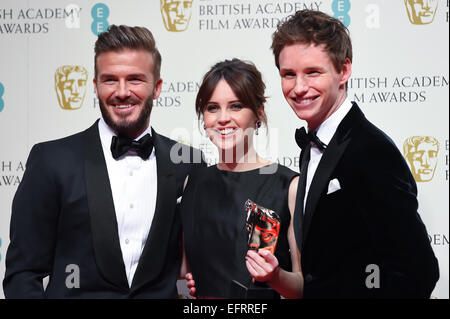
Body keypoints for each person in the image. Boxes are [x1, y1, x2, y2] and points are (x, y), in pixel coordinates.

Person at [3, 25, 204, 298]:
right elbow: (23, 274)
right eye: (110, 80)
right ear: (95, 86)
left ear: (156, 88)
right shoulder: (51, 161)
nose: (122, 92)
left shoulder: (188, 163)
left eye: (135, 79)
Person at [271, 10, 439, 298]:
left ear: (344, 71)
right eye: (289, 74)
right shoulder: (314, 146)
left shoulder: (371, 151)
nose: (298, 88)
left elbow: (419, 271)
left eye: (313, 72)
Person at [181, 59, 303, 299]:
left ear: (258, 113)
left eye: (236, 106)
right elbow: (184, 274)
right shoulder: (192, 183)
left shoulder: (288, 186)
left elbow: (302, 287)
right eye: (212, 107)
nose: (223, 118)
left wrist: (275, 276)